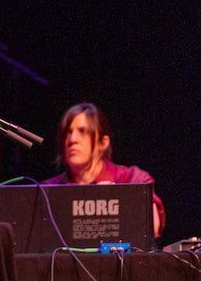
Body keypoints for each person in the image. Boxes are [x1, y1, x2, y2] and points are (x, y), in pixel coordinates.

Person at [44, 102, 165, 238]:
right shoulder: (47, 190)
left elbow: (151, 229)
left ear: (103, 143)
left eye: (82, 131)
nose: (72, 139)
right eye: (68, 132)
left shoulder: (132, 179)